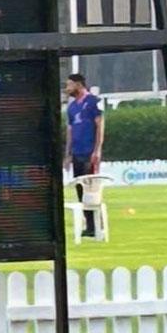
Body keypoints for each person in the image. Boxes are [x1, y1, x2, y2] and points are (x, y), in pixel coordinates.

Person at [65, 72, 104, 237]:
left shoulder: (94, 102)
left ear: (78, 84)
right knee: (81, 190)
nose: (67, 88)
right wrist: (67, 153)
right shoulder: (72, 107)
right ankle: (89, 226)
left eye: (69, 85)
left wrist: (97, 149)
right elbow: (70, 131)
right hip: (77, 153)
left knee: (91, 190)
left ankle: (97, 226)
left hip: (89, 152)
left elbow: (100, 126)